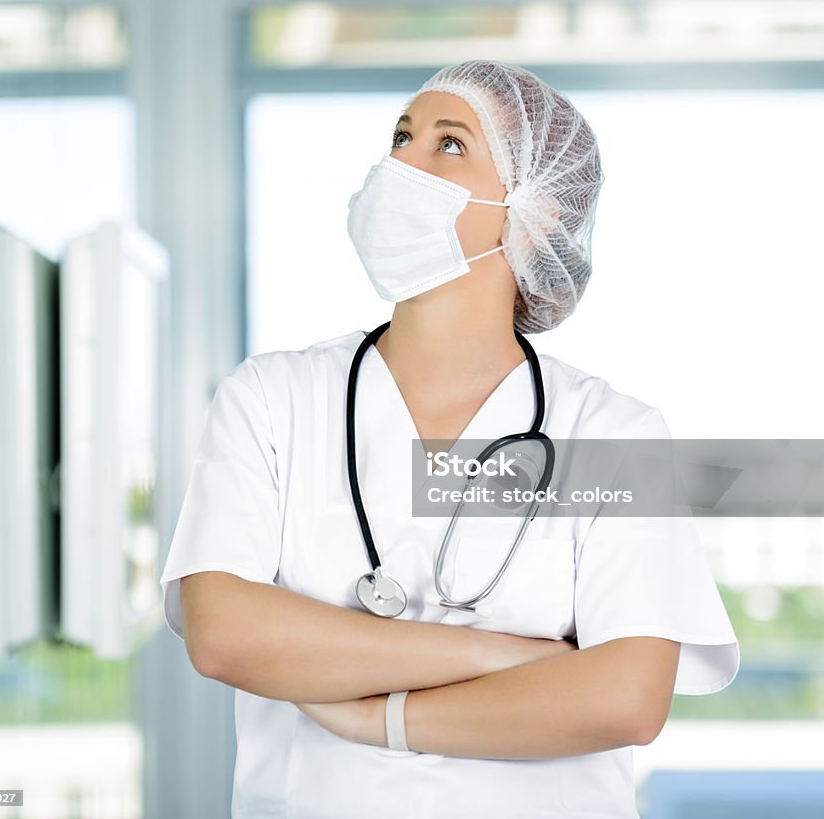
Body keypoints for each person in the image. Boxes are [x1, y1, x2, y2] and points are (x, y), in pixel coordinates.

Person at [159, 60, 739, 819]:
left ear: (535, 210)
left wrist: (382, 716)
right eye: (401, 135)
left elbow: (623, 697)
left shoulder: (608, 430)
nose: (400, 161)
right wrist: (502, 657)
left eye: (449, 143)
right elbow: (224, 634)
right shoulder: (272, 398)